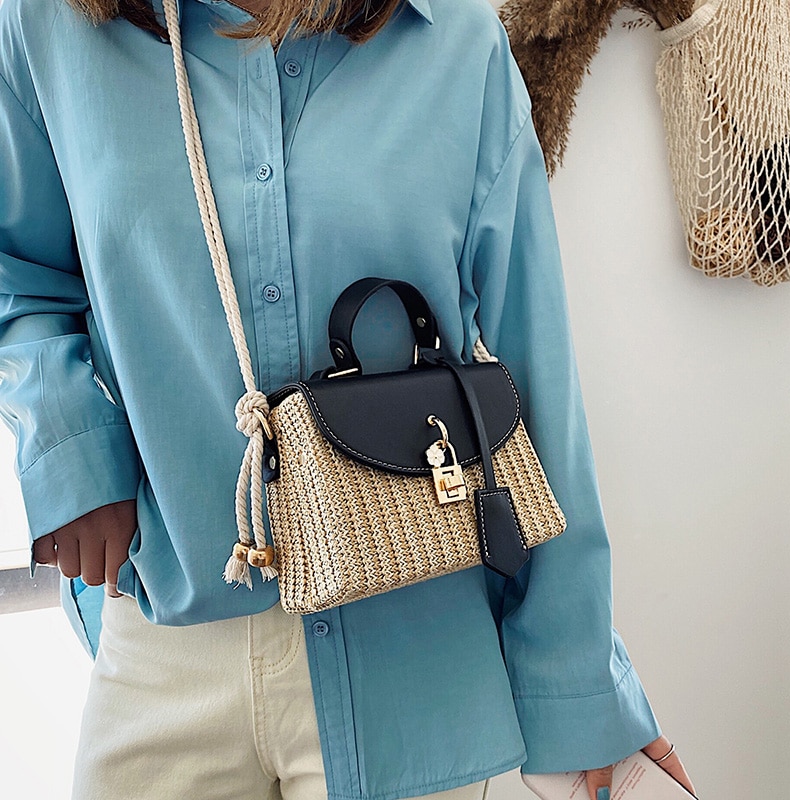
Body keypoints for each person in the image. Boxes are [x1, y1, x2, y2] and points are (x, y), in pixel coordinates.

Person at [0, 0, 696, 798]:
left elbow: (533, 371)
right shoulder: (47, 27)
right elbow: (20, 274)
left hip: (412, 667)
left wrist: (582, 688)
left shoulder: (455, 44)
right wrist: (73, 451)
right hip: (166, 642)